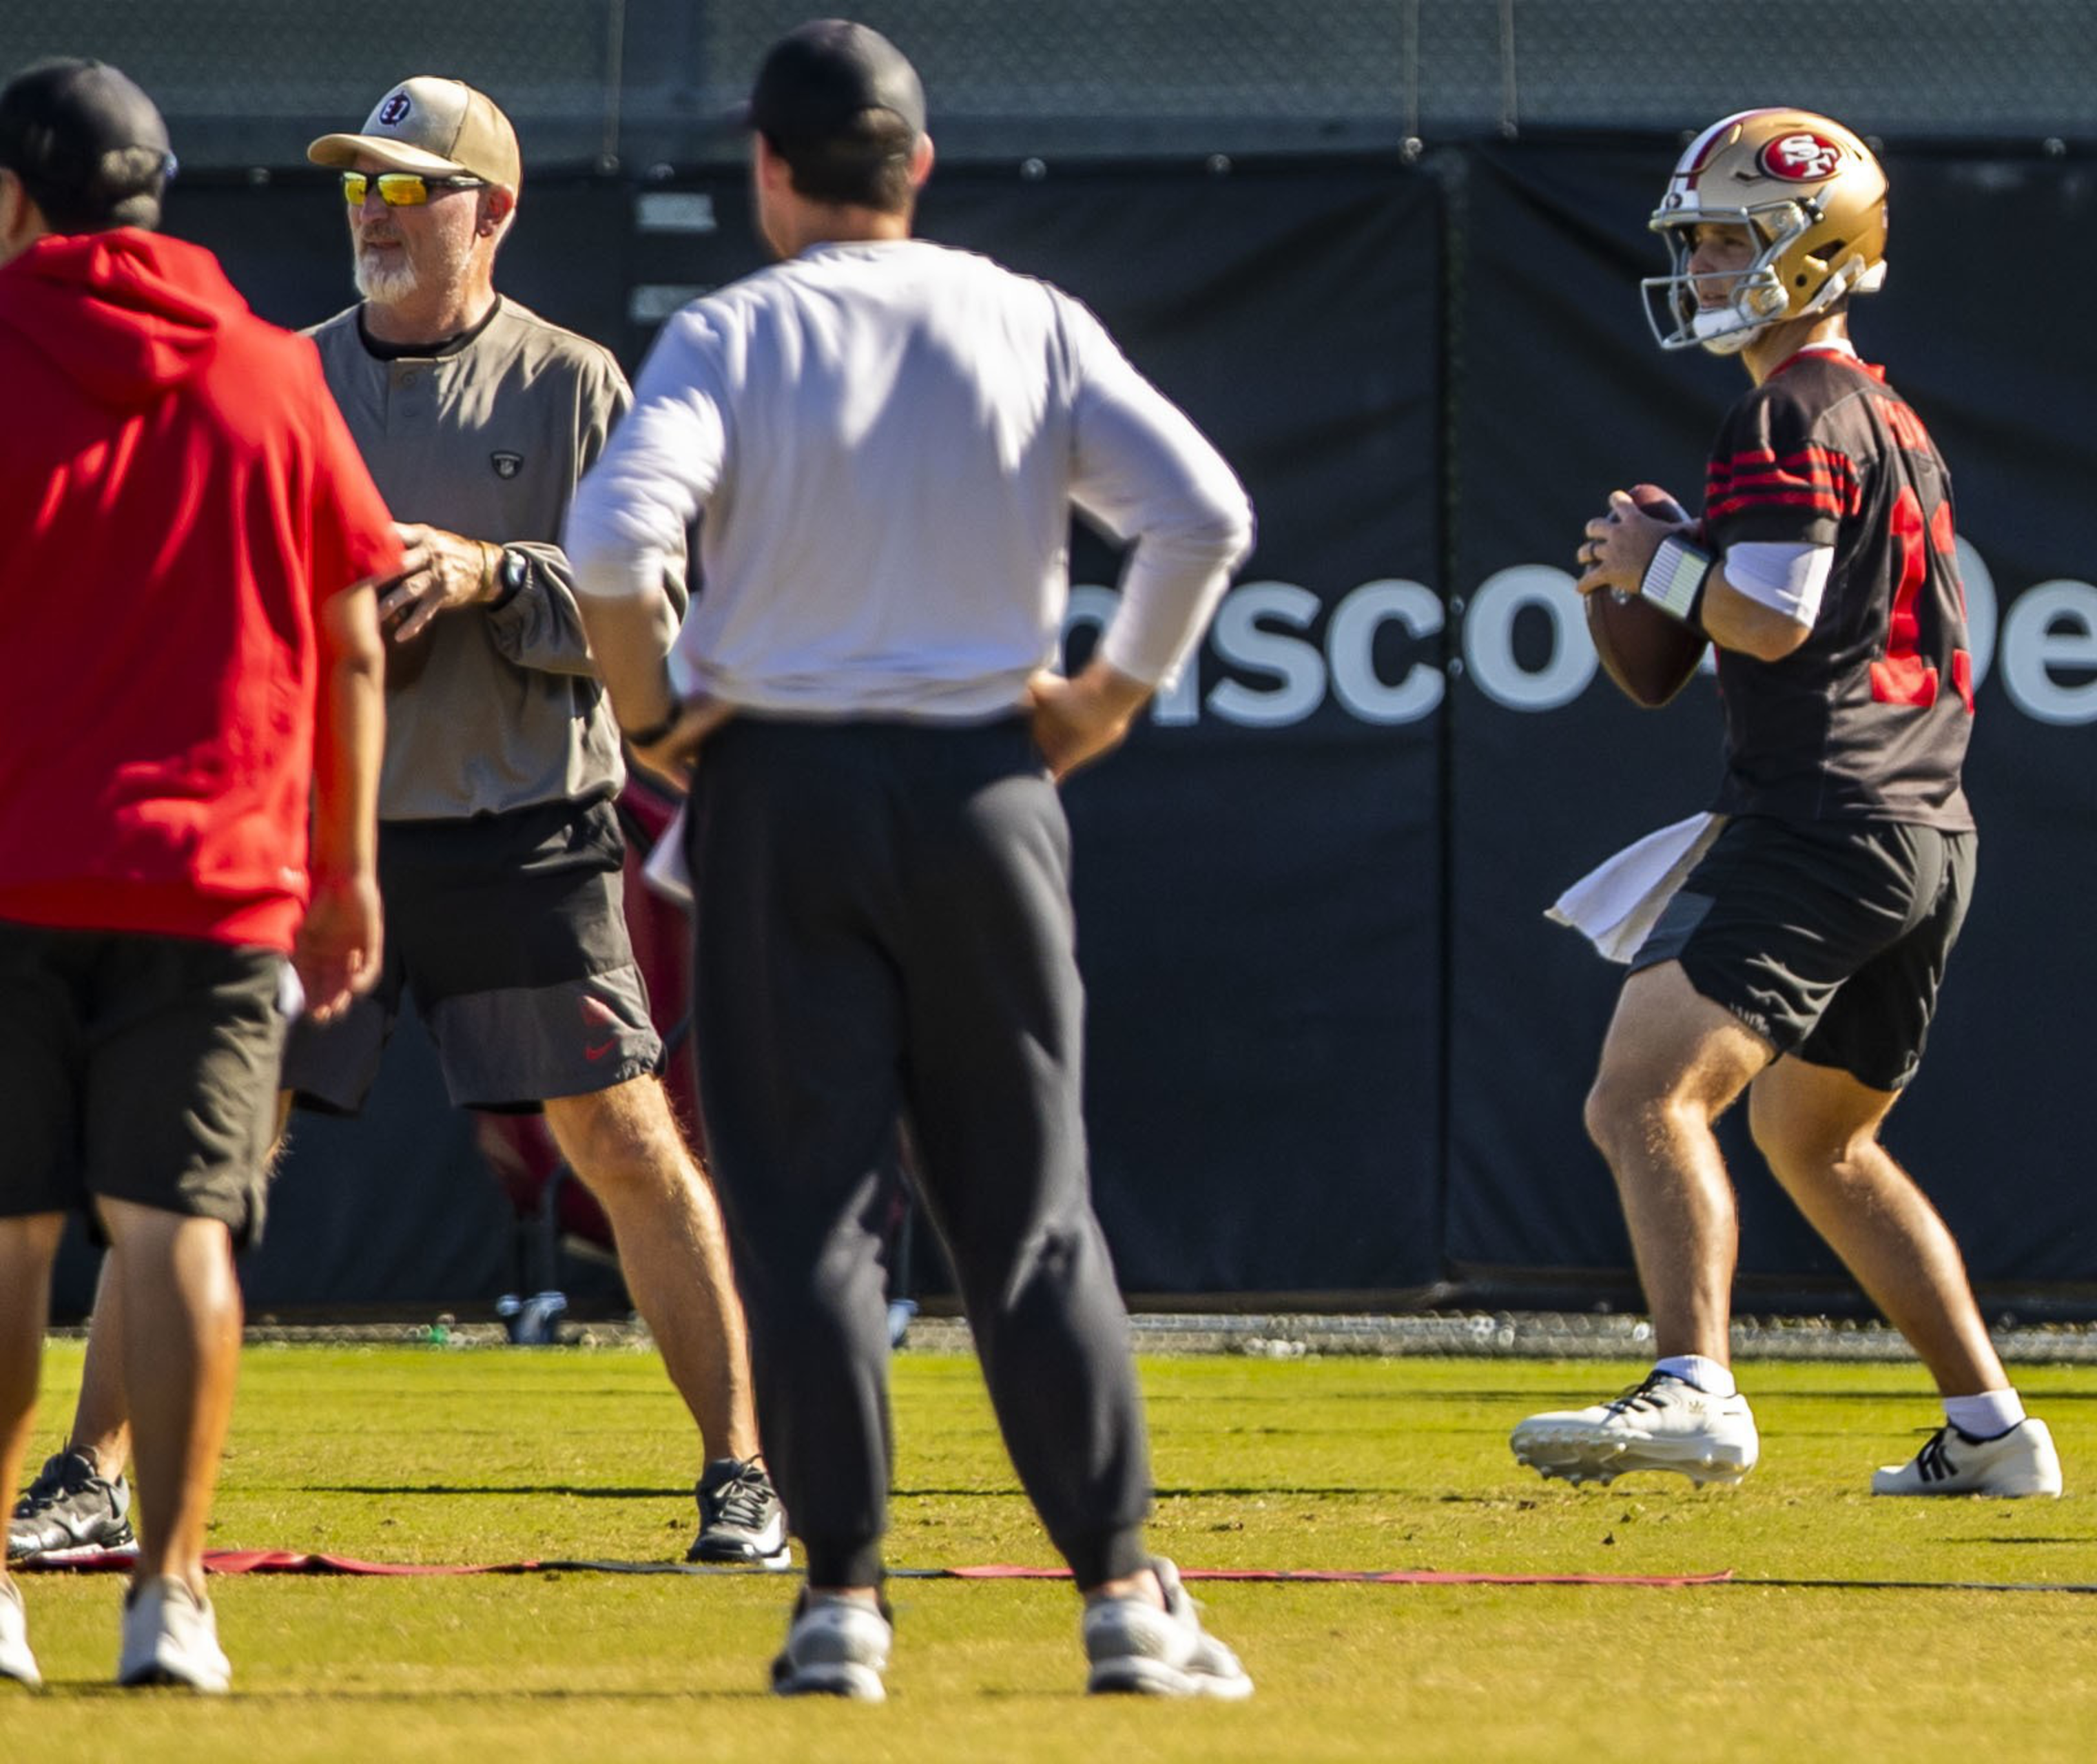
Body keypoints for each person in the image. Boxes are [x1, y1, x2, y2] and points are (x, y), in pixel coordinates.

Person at [8, 73, 789, 1573]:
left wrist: (496, 574)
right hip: (315, 834)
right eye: (357, 186)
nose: (370, 210)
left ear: (489, 212)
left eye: (403, 186)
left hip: (521, 831)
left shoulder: (572, 383)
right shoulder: (287, 375)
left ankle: (739, 1472)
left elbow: (655, 620)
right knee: (197, 1162)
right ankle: (86, 1473)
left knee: (624, 1137)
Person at [566, 19, 1257, 1701]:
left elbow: (607, 544)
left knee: (804, 1213)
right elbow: (1205, 515)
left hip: (781, 795)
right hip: (981, 793)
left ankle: (843, 1606)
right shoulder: (1023, 316)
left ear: (769, 167)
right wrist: (1099, 701)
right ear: (921, 166)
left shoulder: (734, 331)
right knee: (1028, 1214)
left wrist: (656, 713)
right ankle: (1119, 1598)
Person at [1511, 110, 2062, 1499]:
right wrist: (1632, 583)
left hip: (1827, 815)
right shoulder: (1877, 412)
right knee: (1816, 1137)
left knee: (1643, 1088)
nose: (1699, 266)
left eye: (1723, 238)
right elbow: (1677, 661)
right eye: (1692, 240)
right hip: (1928, 830)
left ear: (1811, 247)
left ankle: (1695, 1386)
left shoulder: (1791, 405)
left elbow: (1773, 617)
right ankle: (1994, 1432)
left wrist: (1656, 556)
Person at [0, 58, 395, 1691]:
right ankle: (169, 1590)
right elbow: (354, 635)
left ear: (22, 192)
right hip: (223, 878)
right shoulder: (266, 370)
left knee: (9, 1237)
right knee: (178, 1232)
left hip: (15, 872)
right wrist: (348, 872)